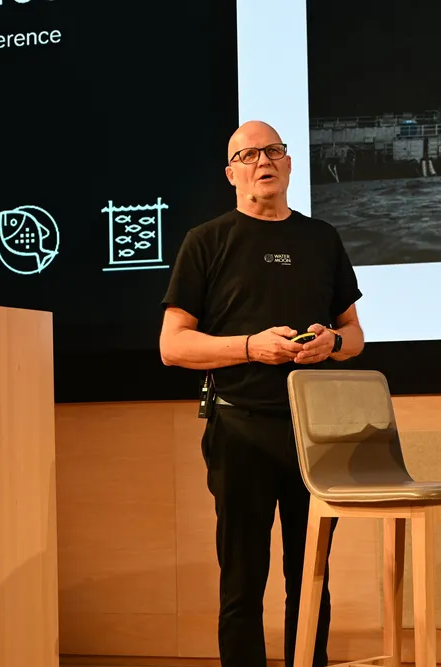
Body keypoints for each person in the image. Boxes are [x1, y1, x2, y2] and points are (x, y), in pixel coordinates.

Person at [159, 120, 365, 667]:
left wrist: (331, 342)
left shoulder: (321, 238)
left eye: (273, 151)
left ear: (289, 163)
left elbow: (355, 335)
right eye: (248, 155)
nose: (263, 162)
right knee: (243, 583)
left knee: (311, 578)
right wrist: (251, 347)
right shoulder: (207, 241)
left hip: (313, 434)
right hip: (239, 428)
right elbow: (172, 346)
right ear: (231, 174)